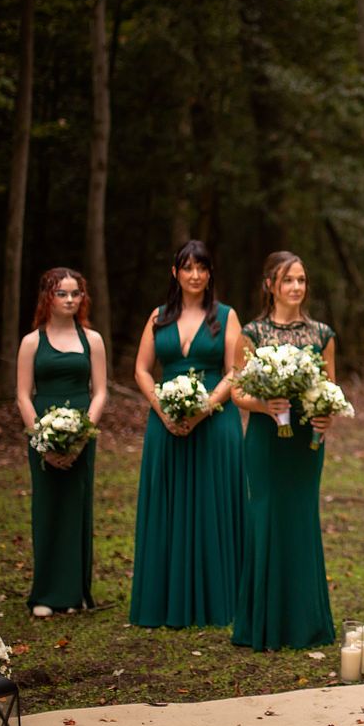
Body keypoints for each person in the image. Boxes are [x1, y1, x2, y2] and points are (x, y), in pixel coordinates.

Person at [129, 240, 244, 628]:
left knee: (214, 502)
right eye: (187, 267)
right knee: (169, 503)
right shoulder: (158, 316)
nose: (195, 275)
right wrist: (164, 410)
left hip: (215, 422)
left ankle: (219, 600)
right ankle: (165, 600)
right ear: (174, 273)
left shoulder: (226, 316)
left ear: (210, 273)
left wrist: (203, 409)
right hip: (166, 423)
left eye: (202, 268)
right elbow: (143, 369)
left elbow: (235, 371)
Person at [231, 251, 337, 650]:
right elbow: (238, 391)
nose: (296, 287)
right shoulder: (252, 333)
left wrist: (327, 417)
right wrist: (264, 405)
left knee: (301, 520)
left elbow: (330, 388)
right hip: (265, 441)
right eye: (288, 280)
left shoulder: (322, 334)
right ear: (270, 285)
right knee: (266, 520)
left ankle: (306, 624)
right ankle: (264, 625)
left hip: (306, 446)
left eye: (302, 280)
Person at [16, 267, 108, 618]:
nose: (70, 299)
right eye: (62, 293)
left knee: (76, 508)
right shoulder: (31, 342)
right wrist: (41, 439)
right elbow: (23, 395)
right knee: (48, 508)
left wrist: (83, 434)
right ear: (47, 297)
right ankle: (45, 593)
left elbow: (100, 393)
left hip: (82, 433)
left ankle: (74, 593)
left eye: (76, 293)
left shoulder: (92, 340)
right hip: (42, 432)